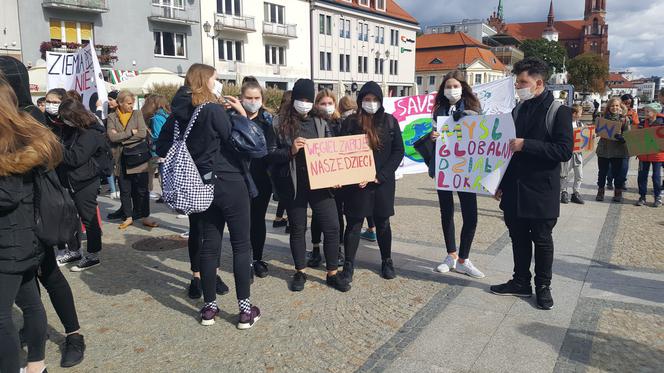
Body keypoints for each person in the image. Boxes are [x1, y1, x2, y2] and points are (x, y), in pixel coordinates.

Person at [156, 63, 259, 327]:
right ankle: (245, 310)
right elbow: (239, 142)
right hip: (229, 183)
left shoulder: (178, 113)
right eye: (215, 79)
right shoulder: (212, 110)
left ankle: (209, 307)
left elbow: (162, 144)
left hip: (200, 186)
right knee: (240, 245)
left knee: (209, 245)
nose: (218, 83)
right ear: (205, 81)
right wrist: (240, 114)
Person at [1, 59, 86, 369]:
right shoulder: (15, 116)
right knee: (31, 290)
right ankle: (33, 345)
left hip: (40, 214)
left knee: (50, 277)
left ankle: (73, 335)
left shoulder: (30, 118)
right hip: (23, 220)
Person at [491, 57, 573, 310]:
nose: (518, 86)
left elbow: (564, 150)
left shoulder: (558, 111)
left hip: (541, 191)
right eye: (517, 83)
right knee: (517, 238)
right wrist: (499, 182)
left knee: (542, 239)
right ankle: (520, 281)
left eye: (523, 82)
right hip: (515, 189)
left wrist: (527, 144)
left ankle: (543, 287)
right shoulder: (518, 109)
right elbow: (507, 151)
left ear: (538, 83)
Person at [270, 78, 350, 292]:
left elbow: (332, 150)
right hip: (294, 184)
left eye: (308, 99)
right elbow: (270, 154)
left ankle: (332, 272)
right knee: (298, 228)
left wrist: (337, 174)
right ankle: (300, 272)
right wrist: (290, 151)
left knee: (332, 226)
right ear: (293, 99)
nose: (304, 103)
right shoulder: (279, 122)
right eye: (300, 99)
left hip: (321, 183)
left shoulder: (321, 121)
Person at [0, 77, 54, 373]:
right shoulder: (23, 134)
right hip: (23, 237)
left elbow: (7, 195)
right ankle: (37, 366)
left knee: (2, 316)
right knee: (30, 303)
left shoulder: (9, 140)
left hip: (10, 240)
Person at [414, 70, 484, 278]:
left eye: (455, 86)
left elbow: (482, 130)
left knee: (470, 214)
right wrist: (433, 136)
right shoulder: (439, 110)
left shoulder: (474, 107)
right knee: (447, 212)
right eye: (448, 86)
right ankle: (451, 255)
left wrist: (468, 117)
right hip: (445, 166)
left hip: (466, 168)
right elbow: (436, 133)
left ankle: (464, 259)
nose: (451, 90)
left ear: (463, 88)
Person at [339, 81, 405, 283]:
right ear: (360, 101)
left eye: (375, 99)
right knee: (354, 224)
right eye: (367, 99)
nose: (371, 103)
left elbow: (398, 151)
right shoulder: (350, 123)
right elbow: (342, 151)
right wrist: (353, 175)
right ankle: (349, 264)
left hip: (382, 184)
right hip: (357, 185)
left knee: (383, 223)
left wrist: (381, 175)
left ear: (380, 101)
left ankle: (387, 260)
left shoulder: (390, 122)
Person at [56, 98, 106, 271]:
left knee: (89, 218)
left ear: (75, 116)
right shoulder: (72, 130)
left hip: (85, 182)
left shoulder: (91, 133)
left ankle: (93, 255)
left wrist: (56, 148)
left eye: (65, 118)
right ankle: (74, 250)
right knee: (69, 218)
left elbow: (76, 158)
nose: (63, 121)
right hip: (70, 181)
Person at [237, 79, 275, 278]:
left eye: (256, 98)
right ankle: (244, 260)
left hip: (261, 179)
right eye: (249, 98)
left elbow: (270, 150)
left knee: (258, 221)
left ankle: (257, 258)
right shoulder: (232, 118)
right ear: (241, 98)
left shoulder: (268, 121)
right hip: (237, 179)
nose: (253, 101)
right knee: (242, 222)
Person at [106, 90, 158, 229]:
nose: (131, 105)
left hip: (138, 158)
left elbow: (141, 133)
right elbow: (111, 137)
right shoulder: (112, 117)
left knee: (141, 189)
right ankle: (128, 216)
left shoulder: (137, 114)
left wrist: (122, 138)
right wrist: (130, 132)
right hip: (120, 159)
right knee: (125, 189)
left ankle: (144, 215)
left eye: (133, 103)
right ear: (120, 103)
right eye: (129, 103)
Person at [308, 89, 345, 268]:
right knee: (317, 216)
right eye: (322, 103)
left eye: (330, 103)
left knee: (338, 215)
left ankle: (336, 249)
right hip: (320, 176)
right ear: (316, 105)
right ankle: (315, 249)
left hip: (338, 178)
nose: (326, 107)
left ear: (335, 105)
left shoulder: (341, 123)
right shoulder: (312, 122)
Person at [595, 97, 631, 203]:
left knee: (617, 174)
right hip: (604, 149)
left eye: (617, 105)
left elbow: (628, 135)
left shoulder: (624, 119)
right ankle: (600, 192)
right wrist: (596, 131)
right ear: (609, 107)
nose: (614, 108)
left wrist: (622, 138)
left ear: (620, 107)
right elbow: (597, 131)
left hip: (618, 151)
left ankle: (617, 192)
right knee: (602, 172)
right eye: (612, 105)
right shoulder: (602, 117)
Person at [141, 94, 170, 200]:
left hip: (156, 150)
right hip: (166, 149)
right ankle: (166, 194)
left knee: (152, 172)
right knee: (164, 173)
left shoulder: (156, 118)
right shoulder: (166, 115)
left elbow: (157, 135)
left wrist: (148, 131)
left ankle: (154, 192)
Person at [606, 94, 638, 191]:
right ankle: (610, 181)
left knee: (624, 164)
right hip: (612, 142)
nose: (627, 105)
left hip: (627, 141)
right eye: (625, 103)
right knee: (611, 164)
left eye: (629, 103)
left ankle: (622, 182)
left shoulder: (633, 113)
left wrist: (629, 121)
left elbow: (636, 124)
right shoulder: (612, 112)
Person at [635, 102, 663, 207]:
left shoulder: (662, 123)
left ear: (655, 112)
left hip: (657, 155)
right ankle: (642, 197)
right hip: (644, 154)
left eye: (648, 111)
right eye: (645, 111)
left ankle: (657, 197)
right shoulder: (642, 123)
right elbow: (637, 137)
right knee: (642, 176)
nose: (645, 112)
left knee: (656, 177)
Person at [272, 91, 291, 231]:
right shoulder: (281, 120)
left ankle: (280, 218)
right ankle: (288, 221)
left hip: (279, 167)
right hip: (286, 164)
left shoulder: (276, 118)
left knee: (285, 196)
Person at [561, 104, 585, 205]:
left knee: (579, 174)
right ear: (574, 114)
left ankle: (576, 192)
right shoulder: (565, 124)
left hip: (577, 154)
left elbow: (584, 137)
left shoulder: (580, 125)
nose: (581, 115)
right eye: (580, 113)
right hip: (567, 152)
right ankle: (564, 192)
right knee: (564, 174)